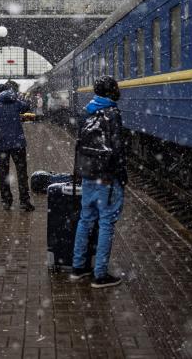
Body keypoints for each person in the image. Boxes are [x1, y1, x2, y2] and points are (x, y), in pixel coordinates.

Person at [70, 76, 128, 288]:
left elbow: (78, 144)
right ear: (111, 91)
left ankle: (78, 267)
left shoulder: (86, 111)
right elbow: (117, 148)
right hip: (106, 176)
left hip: (87, 174)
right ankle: (100, 274)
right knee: (106, 222)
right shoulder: (112, 113)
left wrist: (78, 171)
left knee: (85, 219)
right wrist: (121, 175)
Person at [0, 81, 35, 212]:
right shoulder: (15, 102)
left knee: (3, 173)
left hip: (1, 144)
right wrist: (17, 98)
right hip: (18, 143)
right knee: (22, 173)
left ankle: (7, 201)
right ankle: (24, 201)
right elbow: (27, 106)